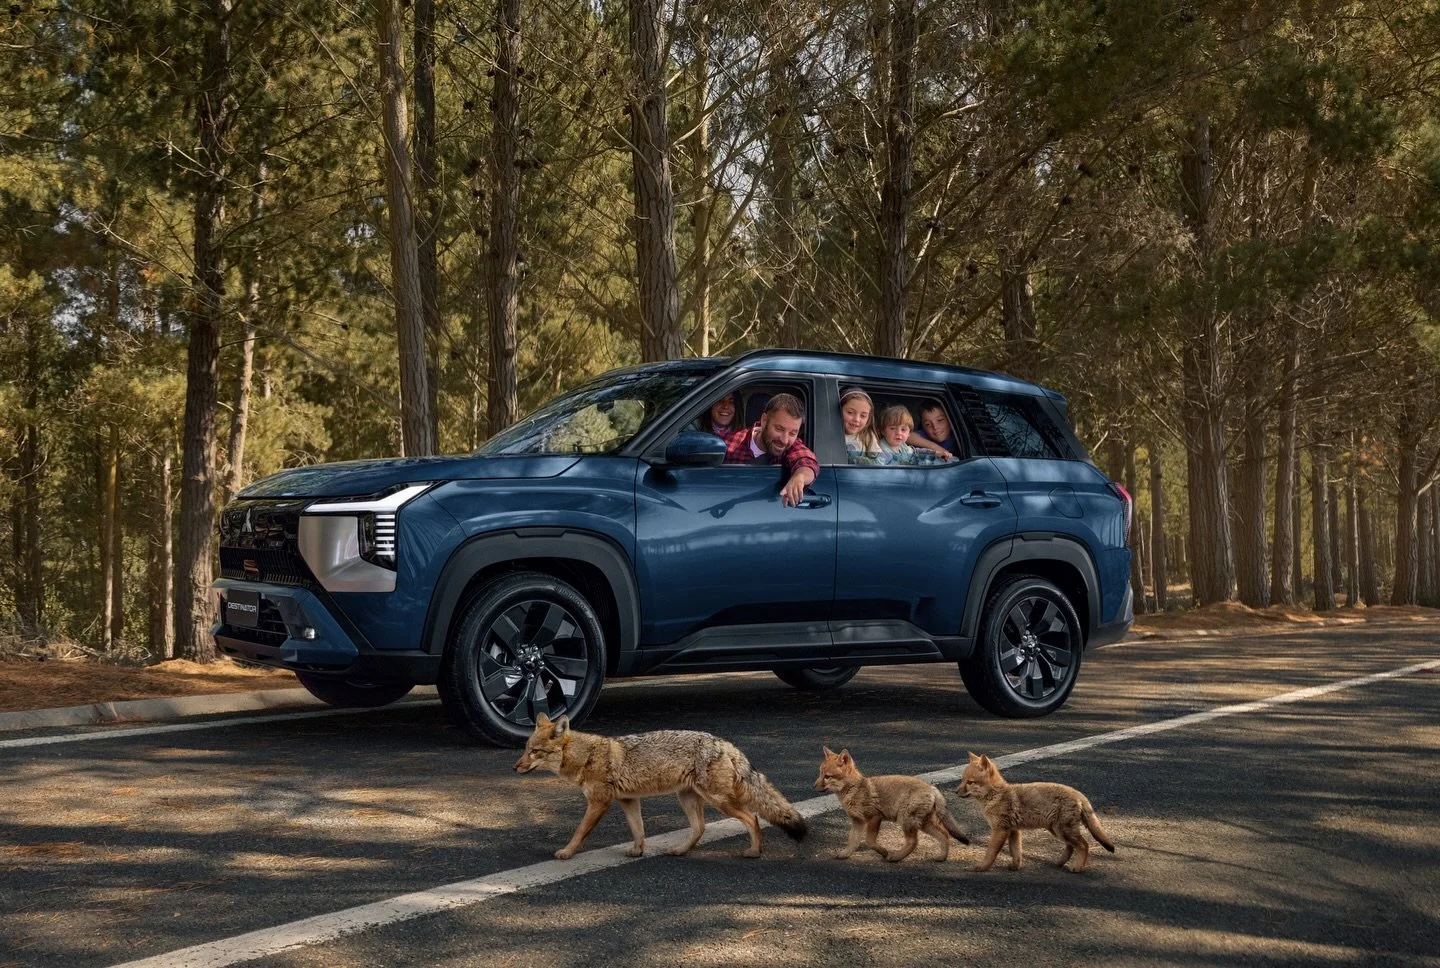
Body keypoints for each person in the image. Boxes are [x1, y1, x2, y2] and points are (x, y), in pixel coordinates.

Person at [723, 393, 820, 506]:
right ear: (764, 420)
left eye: (793, 433)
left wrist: (799, 477)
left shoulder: (791, 446)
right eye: (779, 429)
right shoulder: (730, 444)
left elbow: (806, 460)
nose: (784, 440)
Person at [840, 388, 883, 464]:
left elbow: (880, 462)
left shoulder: (868, 436)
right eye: (850, 412)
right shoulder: (831, 434)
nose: (856, 419)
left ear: (868, 418)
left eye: (863, 416)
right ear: (839, 410)